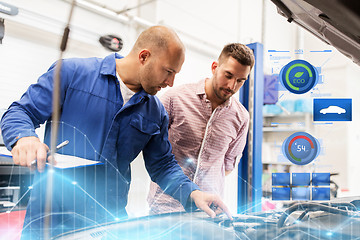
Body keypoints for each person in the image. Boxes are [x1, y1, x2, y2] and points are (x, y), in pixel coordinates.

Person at [0, 26, 231, 239]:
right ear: (144, 56)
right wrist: (24, 137)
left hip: (108, 224)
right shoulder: (72, 74)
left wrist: (193, 194)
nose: (170, 82)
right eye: (168, 71)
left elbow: (162, 165)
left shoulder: (155, 111)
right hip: (50, 222)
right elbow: (20, 112)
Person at [147, 43, 255, 214]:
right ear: (214, 67)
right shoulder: (174, 99)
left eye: (240, 81)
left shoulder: (241, 117)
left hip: (209, 212)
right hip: (167, 207)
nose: (232, 86)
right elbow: (151, 149)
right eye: (228, 75)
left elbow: (227, 166)